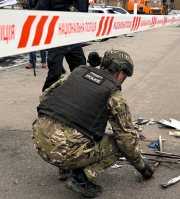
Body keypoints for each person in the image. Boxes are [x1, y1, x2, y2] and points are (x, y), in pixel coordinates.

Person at [31, 49, 153, 198]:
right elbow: (126, 140)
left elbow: (45, 97)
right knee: (118, 144)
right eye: (125, 76)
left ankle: (64, 168)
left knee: (75, 130)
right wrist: (142, 167)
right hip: (63, 152)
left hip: (39, 141)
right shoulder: (113, 94)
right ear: (120, 73)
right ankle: (80, 178)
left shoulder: (77, 73)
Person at [36, 0, 89, 92]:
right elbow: (39, 13)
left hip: (75, 39)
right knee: (54, 76)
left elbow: (85, 15)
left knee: (81, 73)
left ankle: (78, 100)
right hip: (56, 40)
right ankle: (46, 102)